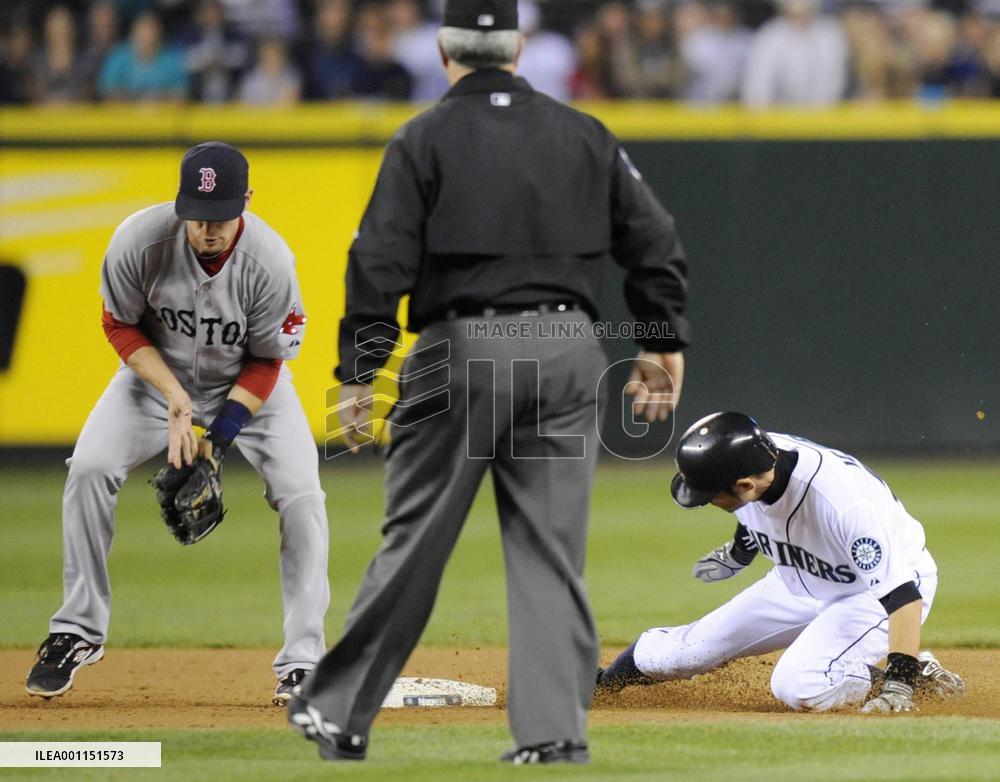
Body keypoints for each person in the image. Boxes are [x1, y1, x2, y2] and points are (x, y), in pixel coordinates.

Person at [287, 0, 690, 765]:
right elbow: (656, 241)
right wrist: (661, 339)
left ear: (444, 51)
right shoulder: (584, 133)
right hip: (568, 348)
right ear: (520, 48)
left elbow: (377, 261)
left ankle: (339, 713)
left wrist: (359, 372)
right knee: (550, 553)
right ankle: (555, 734)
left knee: (415, 540)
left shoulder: (422, 137)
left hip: (460, 345)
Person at [24, 142, 330, 708]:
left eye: (221, 217)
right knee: (89, 467)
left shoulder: (270, 262)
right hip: (154, 381)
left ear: (247, 201)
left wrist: (220, 439)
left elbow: (268, 360)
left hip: (247, 385)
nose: (208, 229)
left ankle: (303, 661)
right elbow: (118, 324)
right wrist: (174, 396)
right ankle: (78, 630)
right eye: (197, 215)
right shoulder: (139, 241)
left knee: (303, 495)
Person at [597, 412, 966, 714]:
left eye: (711, 496)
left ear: (744, 486)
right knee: (687, 651)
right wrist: (739, 553)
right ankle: (600, 684)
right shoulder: (750, 461)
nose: (708, 502)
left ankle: (916, 677)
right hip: (801, 578)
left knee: (798, 683)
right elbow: (756, 518)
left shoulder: (842, 502)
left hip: (873, 592)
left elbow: (902, 595)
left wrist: (899, 683)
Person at [98, 11, 188, 102]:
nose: (148, 36)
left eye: (152, 31)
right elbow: (106, 90)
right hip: (123, 110)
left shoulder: (172, 59)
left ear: (160, 34)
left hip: (162, 110)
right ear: (133, 33)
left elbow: (181, 94)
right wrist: (134, 100)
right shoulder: (119, 56)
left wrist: (156, 100)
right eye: (143, 31)